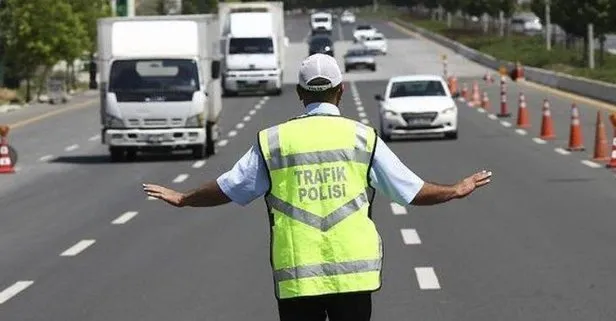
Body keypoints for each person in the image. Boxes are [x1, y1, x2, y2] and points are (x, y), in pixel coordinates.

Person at [143, 53, 492, 321]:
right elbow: (410, 191)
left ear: (300, 93)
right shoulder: (362, 138)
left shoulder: (274, 141)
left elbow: (231, 187)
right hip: (354, 276)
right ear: (341, 91)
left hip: (298, 276)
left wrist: (183, 198)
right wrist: (455, 189)